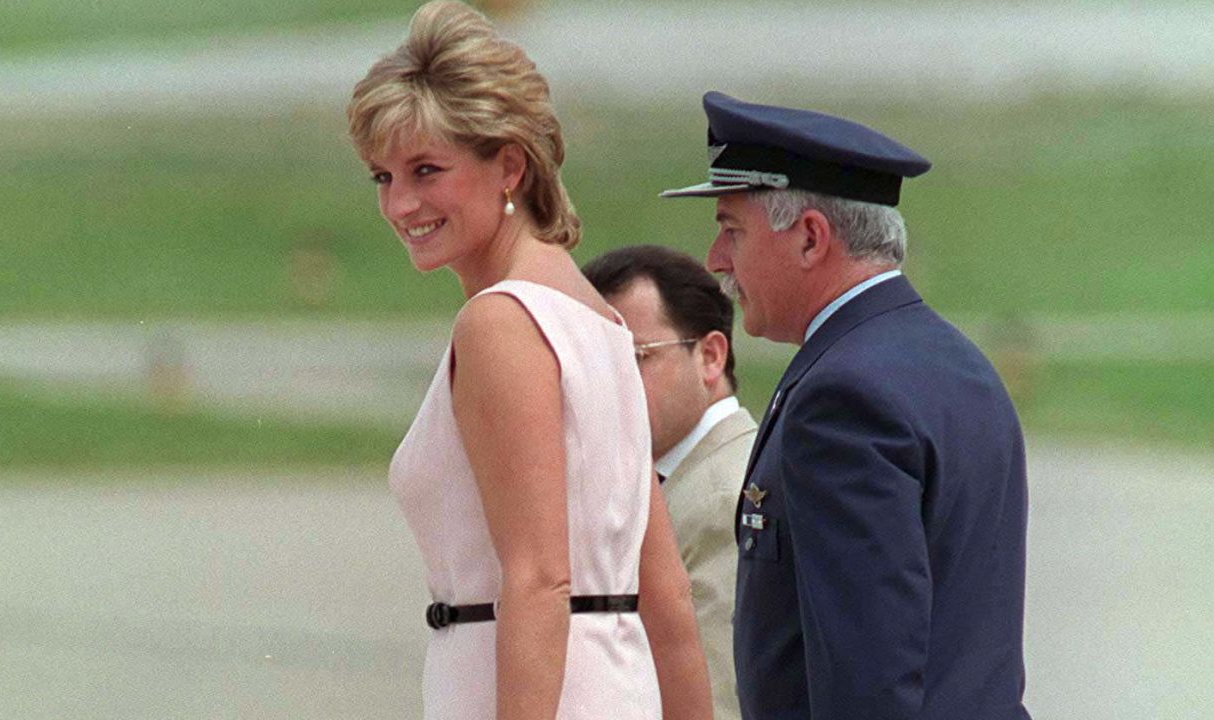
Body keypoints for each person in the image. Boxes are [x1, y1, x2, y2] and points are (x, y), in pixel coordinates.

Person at [346, 3, 712, 719]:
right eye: (382, 177)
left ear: (509, 163)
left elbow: (541, 579)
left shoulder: (502, 325)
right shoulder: (598, 319)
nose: (401, 204)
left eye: (427, 170)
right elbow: (664, 596)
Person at [660, 91, 1031, 720]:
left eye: (731, 230)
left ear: (810, 238)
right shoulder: (958, 364)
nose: (716, 261)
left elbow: (868, 681)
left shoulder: (842, 398)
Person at [583, 245, 756, 720]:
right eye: (591, 365)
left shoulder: (725, 500)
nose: (605, 386)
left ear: (710, 357)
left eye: (631, 358)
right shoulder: (675, 480)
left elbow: (719, 701)